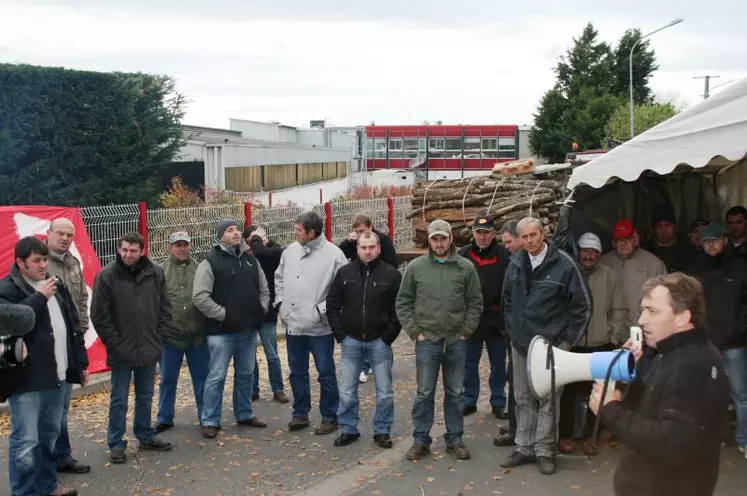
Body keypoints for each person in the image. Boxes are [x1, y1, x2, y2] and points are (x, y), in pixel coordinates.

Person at [591, 273, 730, 496]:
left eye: (652, 311)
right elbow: (651, 410)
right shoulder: (671, 353)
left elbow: (670, 444)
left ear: (682, 318)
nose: (642, 319)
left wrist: (610, 410)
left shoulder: (692, 365)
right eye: (643, 309)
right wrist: (629, 373)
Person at [501, 217, 591, 475]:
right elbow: (507, 300)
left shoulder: (564, 265)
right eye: (524, 237)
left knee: (549, 399)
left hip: (551, 346)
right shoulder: (516, 263)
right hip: (521, 344)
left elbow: (582, 307)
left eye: (533, 235)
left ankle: (544, 450)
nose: (529, 241)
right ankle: (524, 447)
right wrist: (512, 330)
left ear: (543, 234)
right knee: (522, 397)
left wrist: (566, 342)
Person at [0, 236, 88, 496]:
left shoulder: (55, 283)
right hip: (27, 379)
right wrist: (39, 297)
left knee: (49, 436)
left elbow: (72, 324)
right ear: (20, 263)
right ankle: (25, 492)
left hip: (58, 375)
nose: (42, 265)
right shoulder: (8, 288)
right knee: (26, 441)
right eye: (36, 261)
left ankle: (47, 486)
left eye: (44, 259)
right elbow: (11, 321)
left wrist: (79, 363)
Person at [396, 219, 483, 462]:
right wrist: (416, 332)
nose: (439, 243)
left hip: (456, 339)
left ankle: (455, 438)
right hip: (428, 339)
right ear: (429, 240)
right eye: (435, 238)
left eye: (443, 238)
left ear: (451, 239)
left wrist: (466, 331)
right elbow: (403, 302)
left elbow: (475, 302)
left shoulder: (465, 268)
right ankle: (420, 439)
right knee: (424, 392)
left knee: (456, 392)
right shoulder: (416, 267)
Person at [91, 232, 173, 464]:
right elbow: (99, 314)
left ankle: (145, 435)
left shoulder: (155, 273)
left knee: (145, 395)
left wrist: (159, 337)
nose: (128, 254)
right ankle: (116, 443)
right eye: (124, 249)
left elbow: (165, 307)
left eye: (133, 251)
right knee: (119, 399)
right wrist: (114, 343)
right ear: (119, 249)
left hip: (149, 346)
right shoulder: (107, 275)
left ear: (142, 251)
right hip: (120, 350)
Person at [193, 220, 270, 439]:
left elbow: (264, 290)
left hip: (247, 332)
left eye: (237, 229)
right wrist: (223, 315)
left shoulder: (250, 259)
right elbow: (200, 297)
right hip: (221, 333)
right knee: (216, 377)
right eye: (230, 230)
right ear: (220, 237)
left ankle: (244, 413)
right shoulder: (210, 262)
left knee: (246, 374)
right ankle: (209, 420)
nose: (236, 233)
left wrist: (260, 310)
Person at [327, 231, 402, 448]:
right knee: (348, 391)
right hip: (351, 341)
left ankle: (382, 430)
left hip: (379, 342)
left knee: (385, 392)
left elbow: (400, 309)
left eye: (371, 247)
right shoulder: (344, 273)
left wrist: (388, 337)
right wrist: (340, 335)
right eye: (363, 247)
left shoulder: (391, 275)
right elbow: (332, 305)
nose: (367, 251)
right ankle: (349, 429)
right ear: (357, 248)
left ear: (378, 248)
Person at [275, 211, 348, 434]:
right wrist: (281, 304)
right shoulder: (290, 251)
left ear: (311, 232)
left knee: (325, 372)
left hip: (320, 327)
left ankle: (329, 416)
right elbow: (279, 278)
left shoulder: (334, 255)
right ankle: (300, 413)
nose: (294, 233)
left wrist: (322, 311)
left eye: (298, 230)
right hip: (293, 325)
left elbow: (343, 289)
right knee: (297, 372)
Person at [558, 233, 627, 456]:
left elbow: (619, 309)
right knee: (568, 392)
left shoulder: (609, 275)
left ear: (599, 254)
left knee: (596, 392)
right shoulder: (569, 272)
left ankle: (591, 435)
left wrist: (614, 336)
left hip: (601, 343)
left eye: (594, 252)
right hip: (574, 343)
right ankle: (565, 435)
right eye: (586, 251)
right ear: (578, 252)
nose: (589, 255)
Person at [688, 223, 747, 458]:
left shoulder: (741, 266)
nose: (710, 244)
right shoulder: (696, 269)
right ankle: (714, 438)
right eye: (706, 241)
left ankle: (744, 439)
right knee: (708, 394)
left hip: (735, 342)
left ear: (725, 240)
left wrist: (739, 327)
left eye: (715, 240)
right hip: (706, 342)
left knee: (741, 395)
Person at [46, 218, 92, 475]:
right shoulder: (39, 263)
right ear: (48, 233)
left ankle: (61, 457)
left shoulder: (73, 262)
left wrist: (82, 328)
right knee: (51, 408)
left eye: (69, 234)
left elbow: (82, 298)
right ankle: (48, 459)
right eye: (60, 233)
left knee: (63, 405)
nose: (65, 238)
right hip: (48, 347)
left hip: (71, 343)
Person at [155, 231, 209, 433]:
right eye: (177, 245)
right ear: (170, 247)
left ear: (191, 245)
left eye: (185, 244)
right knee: (167, 379)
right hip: (170, 336)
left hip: (197, 335)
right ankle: (164, 417)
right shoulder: (160, 271)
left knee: (202, 378)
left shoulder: (201, 268)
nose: (182, 248)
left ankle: (207, 416)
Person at [458, 216, 509, 419]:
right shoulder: (463, 254)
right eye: (478, 232)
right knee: (469, 363)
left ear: (493, 234)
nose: (482, 236)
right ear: (473, 233)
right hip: (471, 320)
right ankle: (469, 400)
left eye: (486, 232)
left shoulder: (503, 255)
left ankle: (498, 401)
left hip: (496, 319)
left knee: (498, 363)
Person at [338, 214, 398, 383]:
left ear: (371, 227)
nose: (359, 234)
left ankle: (384, 365)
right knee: (363, 328)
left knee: (381, 332)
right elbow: (340, 253)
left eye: (362, 231)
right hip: (360, 289)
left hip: (380, 290)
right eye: (356, 231)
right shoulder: (355, 243)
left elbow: (393, 264)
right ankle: (364, 367)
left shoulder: (383, 241)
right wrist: (348, 241)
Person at [244, 225, 289, 404]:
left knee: (272, 353)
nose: (254, 245)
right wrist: (256, 243)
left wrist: (262, 242)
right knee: (249, 355)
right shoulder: (246, 256)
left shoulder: (271, 252)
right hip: (248, 312)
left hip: (267, 311)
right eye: (252, 241)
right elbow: (257, 254)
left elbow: (267, 254)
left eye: (256, 240)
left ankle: (278, 389)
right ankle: (253, 389)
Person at [599, 219, 666, 327]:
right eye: (619, 240)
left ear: (636, 240)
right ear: (613, 243)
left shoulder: (653, 264)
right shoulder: (603, 262)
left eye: (628, 239)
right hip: (610, 330)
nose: (624, 243)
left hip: (640, 329)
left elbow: (663, 301)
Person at [494, 219, 522, 448]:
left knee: (521, 384)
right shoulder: (513, 262)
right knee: (513, 380)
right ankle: (515, 425)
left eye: (509, 242)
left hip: (525, 335)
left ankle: (519, 429)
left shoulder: (525, 264)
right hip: (512, 332)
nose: (506, 247)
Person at [643, 204, 688, 273]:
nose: (663, 230)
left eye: (668, 225)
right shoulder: (645, 250)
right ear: (654, 229)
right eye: (659, 226)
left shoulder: (688, 251)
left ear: (675, 227)